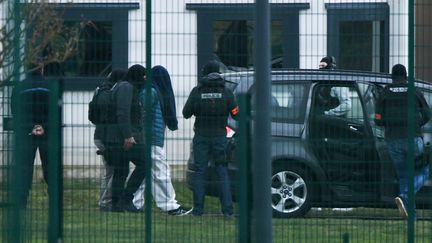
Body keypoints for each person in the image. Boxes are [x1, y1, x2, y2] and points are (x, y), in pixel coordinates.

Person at [132, 65, 192, 215]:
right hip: (151, 139)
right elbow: (142, 115)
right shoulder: (151, 92)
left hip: (149, 138)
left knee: (145, 173)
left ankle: (133, 203)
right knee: (161, 171)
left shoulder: (150, 91)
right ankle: (170, 205)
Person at [183, 60, 239, 217]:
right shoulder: (226, 92)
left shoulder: (197, 91)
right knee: (222, 171)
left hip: (201, 135)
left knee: (200, 171)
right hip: (220, 137)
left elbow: (186, 112)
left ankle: (198, 210)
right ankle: (227, 211)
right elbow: (236, 113)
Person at [375, 64, 431, 219]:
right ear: (406, 76)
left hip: (393, 140)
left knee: (404, 176)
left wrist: (388, 123)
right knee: (423, 171)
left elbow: (377, 119)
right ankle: (405, 196)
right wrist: (416, 124)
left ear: (392, 76)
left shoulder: (385, 92)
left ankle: (410, 215)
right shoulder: (414, 90)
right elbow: (427, 113)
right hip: (413, 138)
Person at [103, 64, 147, 212]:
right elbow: (123, 113)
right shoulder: (126, 88)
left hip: (117, 137)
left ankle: (117, 204)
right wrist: (128, 136)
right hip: (123, 138)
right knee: (145, 163)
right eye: (144, 76)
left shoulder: (124, 87)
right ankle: (126, 199)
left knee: (121, 170)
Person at [11, 66, 51, 209]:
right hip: (47, 133)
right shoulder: (49, 86)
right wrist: (43, 126)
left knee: (24, 168)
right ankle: (53, 202)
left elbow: (16, 110)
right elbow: (54, 110)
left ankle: (21, 202)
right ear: (41, 68)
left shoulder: (20, 87)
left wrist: (31, 127)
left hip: (25, 133)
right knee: (50, 167)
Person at [92, 69, 128, 212]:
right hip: (109, 138)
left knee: (108, 171)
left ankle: (104, 202)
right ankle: (107, 203)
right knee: (113, 171)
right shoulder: (114, 93)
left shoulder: (99, 91)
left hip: (99, 135)